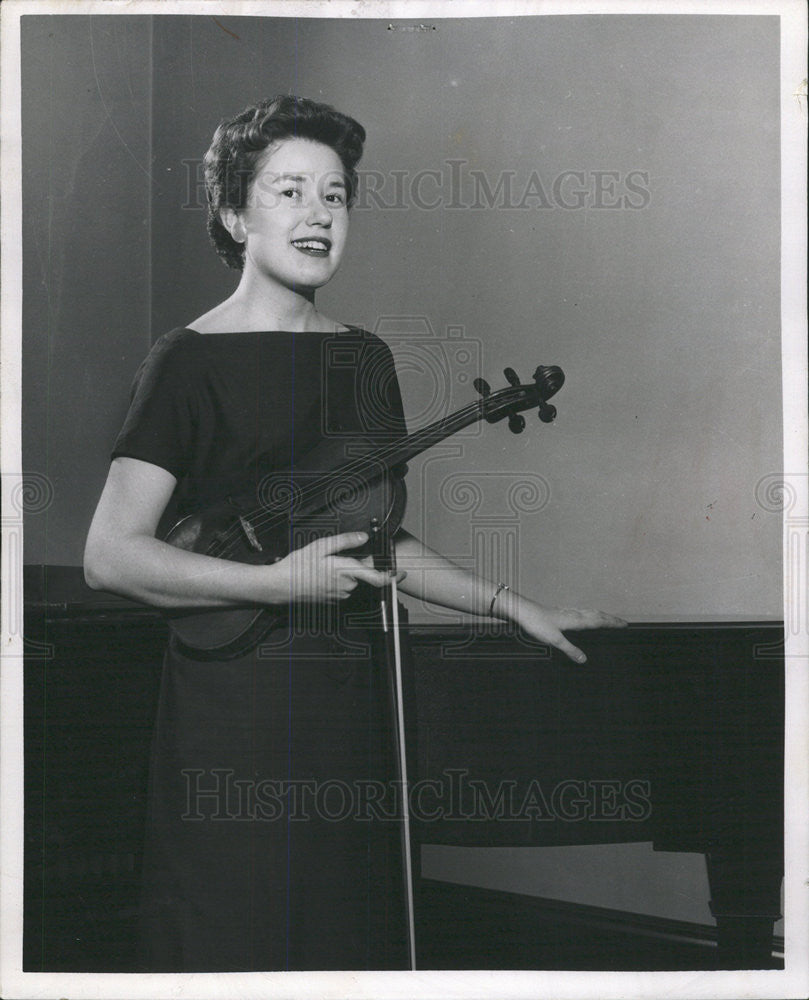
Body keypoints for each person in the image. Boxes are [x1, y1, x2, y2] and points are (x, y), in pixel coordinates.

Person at [83, 95, 625, 972]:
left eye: (334, 196)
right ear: (233, 213)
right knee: (237, 932)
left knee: (353, 937)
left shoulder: (364, 358)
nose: (316, 214)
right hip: (238, 708)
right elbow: (109, 556)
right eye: (289, 190)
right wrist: (272, 584)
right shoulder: (187, 360)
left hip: (354, 693)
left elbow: (376, 541)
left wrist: (516, 607)